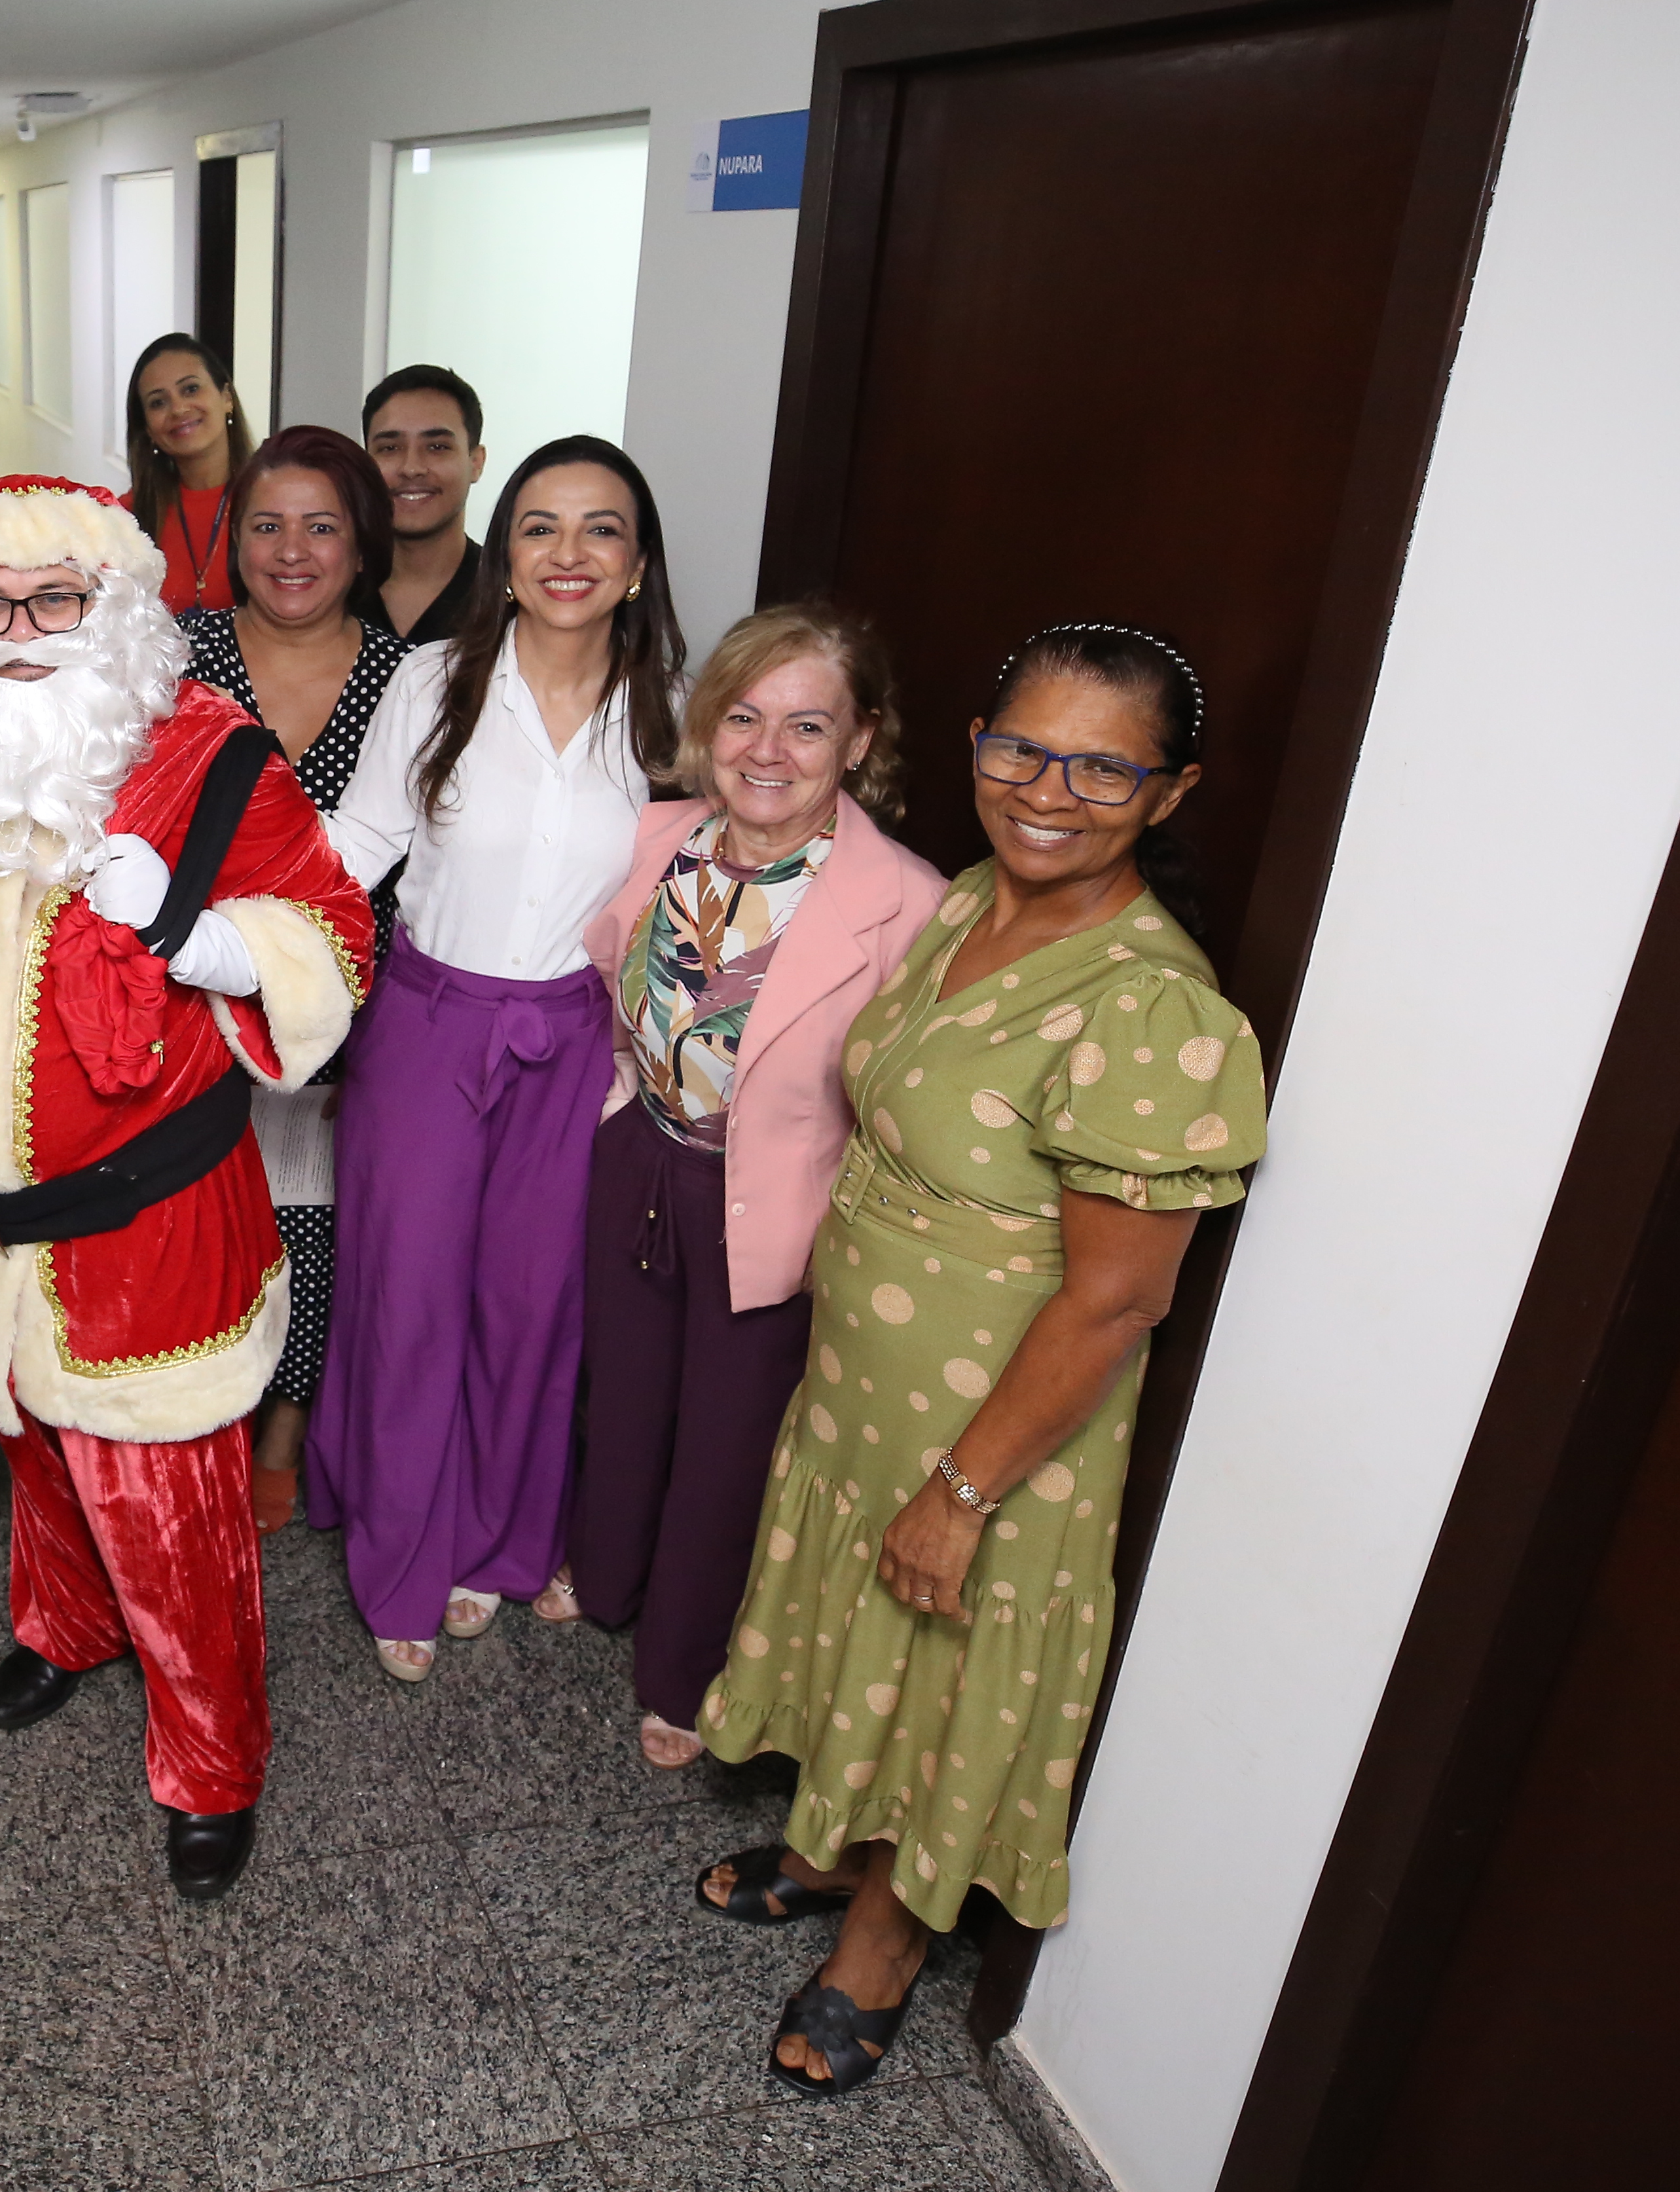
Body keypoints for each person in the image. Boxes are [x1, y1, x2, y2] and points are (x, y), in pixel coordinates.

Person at [693, 621, 1266, 2100]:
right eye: (1017, 746)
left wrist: (959, 1486)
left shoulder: (1151, 1010)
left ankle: (881, 1940)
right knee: (850, 1612)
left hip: (987, 1418)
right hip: (862, 1381)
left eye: (1098, 765)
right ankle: (828, 1842)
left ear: (1167, 790)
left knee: (941, 1654)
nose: (1044, 787)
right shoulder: (963, 903)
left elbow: (1111, 1304)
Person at [0, 473, 373, 1902]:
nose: (18, 631)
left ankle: (211, 1759)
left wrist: (196, 934)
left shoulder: (212, 758)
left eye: (54, 599)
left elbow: (337, 937)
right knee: (35, 1461)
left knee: (172, 1517)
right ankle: (67, 1630)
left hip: (157, 1225)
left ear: (114, 610)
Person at [549, 604, 949, 1770]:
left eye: (809, 725)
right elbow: (606, 973)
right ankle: (605, 1571)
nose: (768, 751)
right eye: (746, 716)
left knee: (728, 1444)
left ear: (862, 741)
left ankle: (683, 1667)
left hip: (772, 1199)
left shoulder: (907, 898)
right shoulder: (662, 833)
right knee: (619, 1391)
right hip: (641, 1156)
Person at [314, 437, 688, 1681]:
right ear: (506, 554)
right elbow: (358, 838)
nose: (568, 554)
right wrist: (218, 925)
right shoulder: (432, 681)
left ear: (638, 564)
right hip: (426, 1024)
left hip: (580, 1042)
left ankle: (495, 1542)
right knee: (410, 1293)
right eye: (539, 527)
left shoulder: (672, 713)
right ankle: (403, 1556)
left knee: (531, 1306)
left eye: (600, 530)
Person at [176, 426, 409, 1534]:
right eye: (266, 524)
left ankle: (286, 1418)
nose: (293, 549)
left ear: (364, 543)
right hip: (191, 985)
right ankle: (207, 1402)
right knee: (207, 1202)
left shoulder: (410, 679)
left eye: (323, 525)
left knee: (312, 1206)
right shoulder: (180, 656)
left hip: (348, 993)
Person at [354, 363, 490, 647]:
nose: (412, 468)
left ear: (475, 462)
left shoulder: (509, 597)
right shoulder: (329, 590)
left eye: (437, 447)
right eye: (390, 448)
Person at [122, 332, 256, 615]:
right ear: (148, 430)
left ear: (227, 398)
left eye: (191, 389)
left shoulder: (274, 500)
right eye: (158, 402)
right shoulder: (127, 517)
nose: (179, 409)